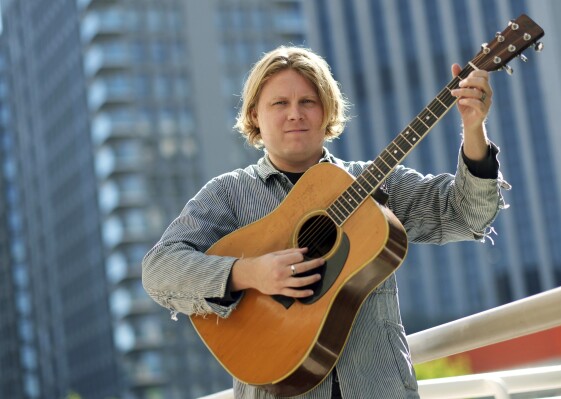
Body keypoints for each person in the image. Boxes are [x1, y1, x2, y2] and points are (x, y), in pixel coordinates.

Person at [142, 46, 509, 398]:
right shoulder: (228, 194)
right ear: (255, 115)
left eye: (307, 102)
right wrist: (250, 273)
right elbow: (159, 271)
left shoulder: (373, 184)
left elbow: (466, 214)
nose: (295, 114)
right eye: (279, 104)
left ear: (327, 110)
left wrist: (473, 130)